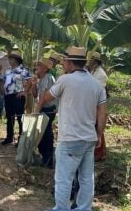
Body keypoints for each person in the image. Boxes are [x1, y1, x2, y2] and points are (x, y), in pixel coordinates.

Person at [38, 46, 107, 211]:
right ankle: (84, 208)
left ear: (69, 63)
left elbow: (46, 98)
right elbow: (103, 113)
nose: (62, 64)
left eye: (64, 61)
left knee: (64, 177)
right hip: (88, 138)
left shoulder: (65, 80)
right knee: (86, 177)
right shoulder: (96, 84)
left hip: (70, 137)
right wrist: (99, 134)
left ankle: (61, 208)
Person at [1, 50, 30, 146]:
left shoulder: (23, 70)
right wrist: (3, 88)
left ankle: (21, 139)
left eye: (12, 59)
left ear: (17, 60)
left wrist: (24, 92)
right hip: (8, 95)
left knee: (20, 117)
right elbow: (4, 80)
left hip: (18, 95)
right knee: (9, 117)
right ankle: (9, 137)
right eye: (10, 58)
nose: (10, 60)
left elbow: (29, 82)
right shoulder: (8, 70)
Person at [31, 58, 57, 168]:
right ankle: (44, 157)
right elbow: (35, 95)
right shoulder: (39, 79)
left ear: (45, 68)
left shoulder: (48, 78)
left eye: (39, 65)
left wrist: (36, 111)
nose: (36, 67)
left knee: (46, 133)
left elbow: (44, 98)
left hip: (48, 108)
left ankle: (48, 159)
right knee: (40, 132)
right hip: (42, 108)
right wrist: (33, 84)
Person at [88, 51, 108, 161]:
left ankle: (99, 153)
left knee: (98, 127)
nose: (88, 62)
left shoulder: (100, 74)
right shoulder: (93, 71)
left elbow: (97, 90)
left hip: (97, 103)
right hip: (92, 103)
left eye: (90, 60)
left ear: (95, 61)